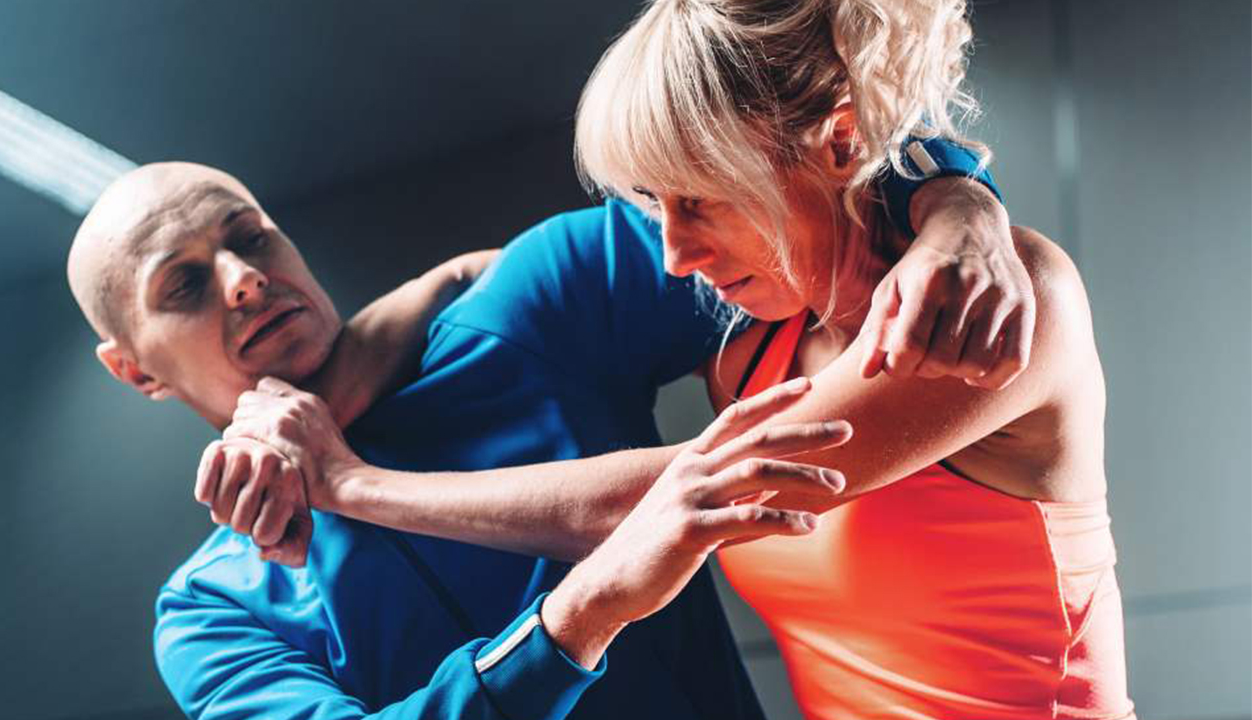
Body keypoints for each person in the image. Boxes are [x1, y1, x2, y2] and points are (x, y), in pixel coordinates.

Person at [215, 0, 1133, 718]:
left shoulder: (989, 309)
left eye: (698, 201)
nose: (672, 253)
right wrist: (951, 194)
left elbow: (644, 507)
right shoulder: (746, 342)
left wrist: (347, 483)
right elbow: (487, 285)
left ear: (840, 143)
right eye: (653, 203)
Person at [66, 162, 854, 720]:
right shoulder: (212, 610)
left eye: (253, 237)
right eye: (184, 285)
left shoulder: (522, 309)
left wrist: (954, 197)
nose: (243, 278)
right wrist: (572, 622)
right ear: (135, 371)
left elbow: (823, 203)